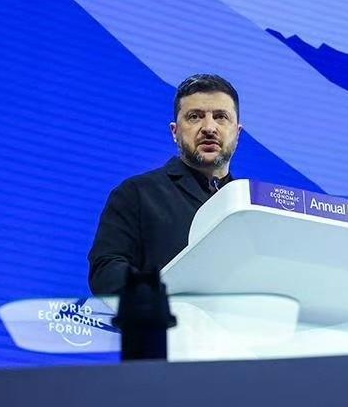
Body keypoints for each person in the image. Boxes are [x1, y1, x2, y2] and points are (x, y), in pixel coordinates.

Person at [88, 74, 243, 296]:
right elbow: (106, 272)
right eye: (195, 117)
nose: (209, 127)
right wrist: (164, 294)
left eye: (220, 117)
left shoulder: (250, 207)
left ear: (237, 133)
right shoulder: (137, 194)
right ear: (175, 132)